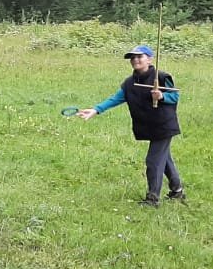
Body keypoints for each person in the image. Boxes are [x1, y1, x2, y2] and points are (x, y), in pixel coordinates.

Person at [77, 44, 185, 207]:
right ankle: (177, 191)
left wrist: (162, 96)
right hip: (148, 126)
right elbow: (116, 99)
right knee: (164, 158)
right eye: (132, 58)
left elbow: (174, 97)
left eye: (139, 56)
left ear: (149, 59)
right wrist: (95, 110)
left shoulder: (161, 77)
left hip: (164, 126)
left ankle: (152, 199)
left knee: (154, 161)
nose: (135, 60)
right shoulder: (129, 83)